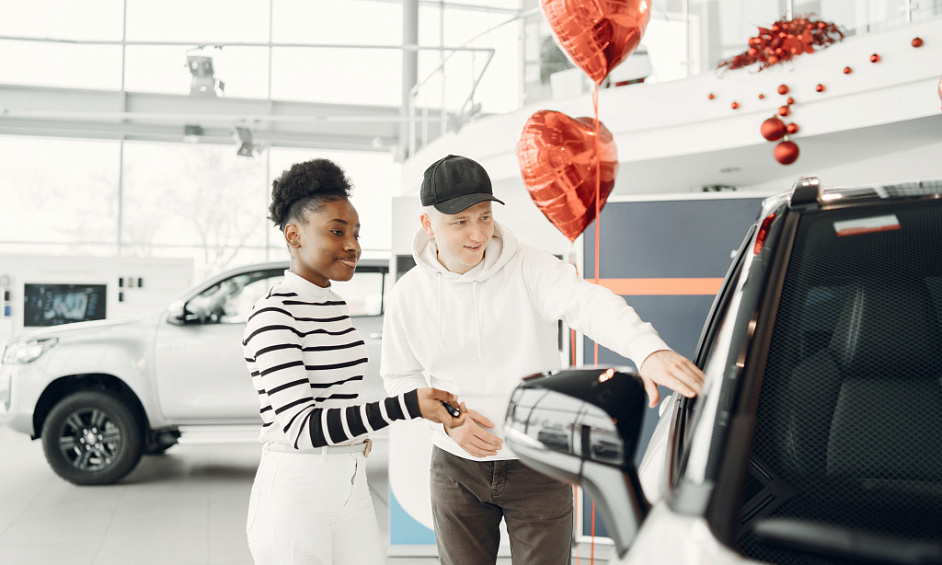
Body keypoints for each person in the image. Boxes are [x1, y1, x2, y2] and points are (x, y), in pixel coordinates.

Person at [381, 154, 705, 565]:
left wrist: (647, 348)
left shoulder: (528, 265)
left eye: (483, 217)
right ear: (428, 225)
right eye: (460, 222)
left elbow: (588, 304)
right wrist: (447, 419)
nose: (476, 234)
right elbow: (398, 375)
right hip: (455, 465)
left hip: (538, 462)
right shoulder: (408, 295)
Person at [243, 158, 465, 565]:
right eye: (337, 231)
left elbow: (340, 402)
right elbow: (302, 427)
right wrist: (408, 405)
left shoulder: (332, 306)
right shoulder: (273, 314)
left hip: (349, 480)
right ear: (293, 235)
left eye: (356, 233)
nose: (353, 245)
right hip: (296, 489)